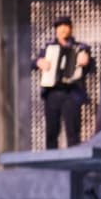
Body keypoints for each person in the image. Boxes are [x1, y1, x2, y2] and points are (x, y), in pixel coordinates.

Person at [35, 16, 93, 149]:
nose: (63, 29)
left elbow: (91, 67)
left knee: (73, 132)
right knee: (51, 132)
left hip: (72, 93)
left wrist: (86, 61)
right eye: (59, 26)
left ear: (71, 29)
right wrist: (39, 62)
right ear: (55, 30)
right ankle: (51, 165)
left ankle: (74, 166)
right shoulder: (48, 48)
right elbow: (34, 63)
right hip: (53, 93)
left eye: (66, 26)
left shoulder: (81, 48)